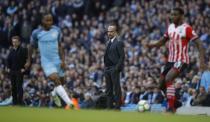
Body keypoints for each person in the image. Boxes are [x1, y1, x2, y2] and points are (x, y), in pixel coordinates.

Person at [146, 7, 205, 92]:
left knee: (168, 79)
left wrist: (201, 60)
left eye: (175, 14)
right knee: (161, 85)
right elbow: (161, 42)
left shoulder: (186, 28)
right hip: (170, 61)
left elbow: (199, 43)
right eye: (171, 14)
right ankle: (176, 102)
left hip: (181, 60)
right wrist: (150, 45)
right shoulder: (170, 27)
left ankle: (171, 105)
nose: (172, 16)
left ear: (181, 16)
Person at [25, 13, 76, 109]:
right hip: (46, 62)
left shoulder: (57, 30)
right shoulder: (36, 33)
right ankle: (70, 103)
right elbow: (31, 46)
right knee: (56, 80)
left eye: (51, 20)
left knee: (62, 81)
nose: (49, 22)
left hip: (57, 60)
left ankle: (54, 93)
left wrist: (63, 61)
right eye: (47, 20)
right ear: (42, 21)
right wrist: (28, 60)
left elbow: (60, 46)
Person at [104, 23, 125, 110]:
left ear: (115, 32)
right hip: (107, 68)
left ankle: (117, 107)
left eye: (111, 32)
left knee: (116, 88)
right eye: (108, 31)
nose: (109, 33)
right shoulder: (108, 43)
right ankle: (109, 107)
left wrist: (117, 68)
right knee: (108, 89)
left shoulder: (119, 42)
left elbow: (122, 56)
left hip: (114, 68)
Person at [6, 36, 28, 105]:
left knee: (19, 87)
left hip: (19, 71)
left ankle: (20, 102)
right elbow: (8, 60)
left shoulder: (23, 50)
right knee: (13, 87)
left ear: (19, 42)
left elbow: (27, 60)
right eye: (13, 42)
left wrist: (24, 68)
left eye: (15, 42)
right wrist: (8, 67)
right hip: (12, 71)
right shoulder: (11, 51)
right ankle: (14, 102)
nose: (14, 43)